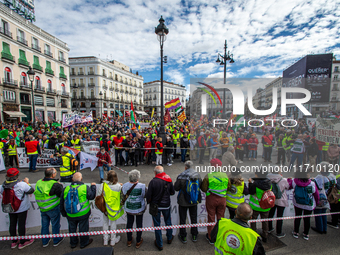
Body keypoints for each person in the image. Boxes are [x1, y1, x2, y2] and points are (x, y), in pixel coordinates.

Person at [0, 168, 35, 249]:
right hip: (21, 208)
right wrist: (27, 183)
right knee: (21, 224)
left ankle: (14, 241)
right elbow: (31, 190)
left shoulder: (4, 185)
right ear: (17, 175)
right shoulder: (22, 184)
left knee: (12, 224)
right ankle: (22, 242)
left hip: (10, 208)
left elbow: (2, 192)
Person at [60, 172, 96, 249]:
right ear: (81, 179)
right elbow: (92, 196)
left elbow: (62, 202)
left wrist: (63, 212)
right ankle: (84, 243)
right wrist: (93, 187)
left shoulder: (66, 189)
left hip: (70, 213)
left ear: (72, 179)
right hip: (83, 213)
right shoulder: (85, 187)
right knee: (83, 228)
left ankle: (73, 243)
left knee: (72, 228)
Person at [200, 158, 229, 245]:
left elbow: (204, 188)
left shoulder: (208, 175)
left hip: (211, 199)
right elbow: (229, 187)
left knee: (211, 218)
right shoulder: (225, 175)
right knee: (221, 218)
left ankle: (211, 237)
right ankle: (220, 236)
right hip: (222, 199)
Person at [34, 168, 64, 247]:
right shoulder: (55, 184)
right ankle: (56, 240)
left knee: (44, 225)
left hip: (42, 208)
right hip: (53, 207)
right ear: (53, 175)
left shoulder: (39, 182)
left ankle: (45, 241)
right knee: (55, 224)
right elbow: (60, 195)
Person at [146, 166, 175, 251]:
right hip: (166, 205)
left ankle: (159, 243)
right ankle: (169, 238)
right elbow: (172, 192)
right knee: (168, 221)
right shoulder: (168, 180)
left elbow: (149, 195)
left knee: (157, 224)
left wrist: (149, 202)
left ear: (155, 172)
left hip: (156, 206)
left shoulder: (153, 182)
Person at [174, 161, 202, 243]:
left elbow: (176, 188)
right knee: (194, 218)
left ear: (185, 167)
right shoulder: (197, 175)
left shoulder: (181, 175)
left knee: (183, 219)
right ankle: (194, 235)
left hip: (183, 200)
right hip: (194, 200)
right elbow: (200, 185)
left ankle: (183, 236)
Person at [288, 171, 319, 240]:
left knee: (297, 217)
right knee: (307, 219)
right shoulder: (312, 183)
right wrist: (317, 202)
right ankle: (306, 234)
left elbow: (289, 186)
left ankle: (296, 232)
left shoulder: (295, 182)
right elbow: (316, 194)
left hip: (298, 203)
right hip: (308, 204)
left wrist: (289, 179)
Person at [96, 170, 123, 246]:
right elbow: (121, 196)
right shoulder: (119, 186)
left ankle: (105, 239)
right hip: (114, 208)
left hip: (105, 208)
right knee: (113, 223)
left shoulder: (103, 185)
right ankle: (113, 240)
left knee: (105, 223)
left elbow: (98, 196)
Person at [122, 169, 147, 249]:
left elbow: (122, 196)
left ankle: (129, 240)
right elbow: (146, 195)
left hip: (129, 208)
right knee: (139, 224)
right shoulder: (143, 186)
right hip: (139, 208)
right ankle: (138, 241)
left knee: (129, 223)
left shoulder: (124, 186)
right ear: (137, 178)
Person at [312, 162, 336, 234]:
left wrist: (312, 180)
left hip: (320, 196)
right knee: (324, 212)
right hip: (328, 195)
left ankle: (319, 228)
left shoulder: (320, 177)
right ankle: (324, 228)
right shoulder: (332, 176)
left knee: (318, 212)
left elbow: (315, 186)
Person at [248, 171, 272, 242]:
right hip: (265, 207)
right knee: (265, 221)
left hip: (255, 207)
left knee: (253, 221)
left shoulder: (255, 184)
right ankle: (265, 235)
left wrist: (250, 183)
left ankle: (253, 235)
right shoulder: (269, 183)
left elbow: (251, 192)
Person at [267, 172, 290, 238]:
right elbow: (287, 187)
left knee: (270, 214)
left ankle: (269, 228)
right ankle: (279, 232)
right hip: (281, 199)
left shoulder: (268, 178)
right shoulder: (283, 180)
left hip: (272, 199)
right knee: (279, 216)